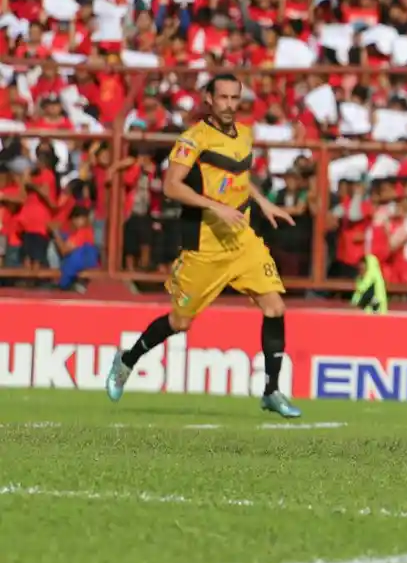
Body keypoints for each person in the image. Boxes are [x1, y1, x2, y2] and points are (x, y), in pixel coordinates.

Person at [105, 74, 302, 418]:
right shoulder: (192, 139)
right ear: (209, 99)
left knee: (275, 307)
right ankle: (127, 360)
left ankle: (271, 391)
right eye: (222, 97)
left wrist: (261, 202)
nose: (229, 104)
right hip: (204, 246)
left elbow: (237, 179)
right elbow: (171, 186)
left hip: (242, 240)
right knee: (179, 323)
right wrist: (215, 207)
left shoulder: (245, 134)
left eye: (234, 97)